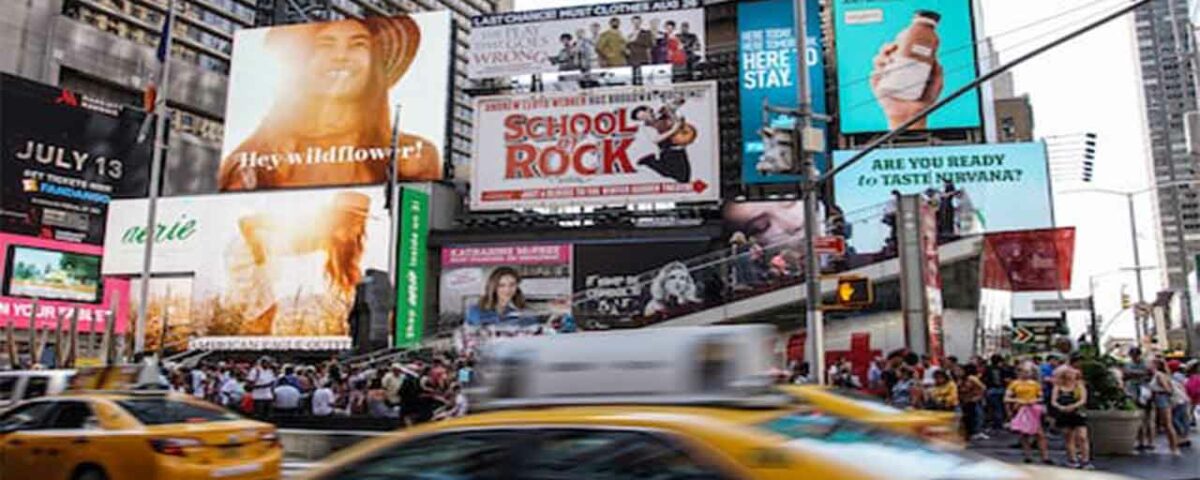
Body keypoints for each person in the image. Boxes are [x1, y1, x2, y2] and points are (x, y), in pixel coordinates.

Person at [218, 17, 440, 190]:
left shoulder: (412, 156)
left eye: (358, 45)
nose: (341, 56)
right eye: (325, 45)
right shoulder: (254, 157)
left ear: (375, 65)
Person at [632, 102, 692, 184]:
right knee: (679, 177)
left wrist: (673, 107)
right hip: (667, 151)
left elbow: (676, 109)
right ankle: (650, 161)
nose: (645, 118)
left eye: (644, 115)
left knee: (683, 177)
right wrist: (673, 130)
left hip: (680, 148)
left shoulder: (663, 113)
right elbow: (656, 139)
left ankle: (650, 161)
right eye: (641, 118)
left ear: (648, 110)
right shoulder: (646, 126)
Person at [1006, 365, 1051, 464]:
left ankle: (1045, 456)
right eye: (1023, 372)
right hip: (1020, 409)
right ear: (1018, 373)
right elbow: (1006, 398)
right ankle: (1028, 456)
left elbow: (1041, 398)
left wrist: (1034, 400)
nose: (1026, 374)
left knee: (1039, 433)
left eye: (1028, 372)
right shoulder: (1014, 384)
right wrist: (1018, 400)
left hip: (1033, 409)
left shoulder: (1035, 384)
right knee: (1024, 433)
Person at [1051, 365, 1092, 469]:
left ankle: (1085, 460)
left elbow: (1083, 399)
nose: (1070, 375)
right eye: (1068, 373)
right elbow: (1053, 401)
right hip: (1064, 414)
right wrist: (1060, 407)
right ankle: (1072, 459)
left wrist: (1073, 406)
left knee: (1082, 436)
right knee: (1069, 437)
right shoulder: (1058, 386)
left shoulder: (1079, 385)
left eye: (1072, 373)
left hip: (1077, 413)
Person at [466, 267, 535, 327]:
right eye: (501, 285)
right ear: (493, 287)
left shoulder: (524, 313)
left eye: (512, 284)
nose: (507, 290)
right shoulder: (476, 311)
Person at [1122, 348, 1155, 450]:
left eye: (1135, 355)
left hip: (1144, 392)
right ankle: (1141, 441)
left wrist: (1134, 374)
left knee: (1148, 418)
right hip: (1133, 392)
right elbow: (1125, 375)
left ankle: (1150, 442)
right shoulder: (1128, 364)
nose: (1134, 357)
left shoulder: (1146, 364)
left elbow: (1151, 374)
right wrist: (1141, 374)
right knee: (1139, 418)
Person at [1149, 359, 1182, 454]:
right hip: (1159, 398)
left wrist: (1158, 392)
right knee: (1165, 423)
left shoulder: (1159, 375)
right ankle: (1173, 447)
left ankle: (1174, 448)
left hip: (1162, 398)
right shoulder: (1159, 375)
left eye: (1151, 364)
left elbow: (1167, 389)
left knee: (1167, 423)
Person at [983, 354, 1014, 432]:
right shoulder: (1003, 369)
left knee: (992, 408)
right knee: (1000, 408)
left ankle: (994, 423)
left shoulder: (987, 369)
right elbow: (1006, 379)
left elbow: (984, 379)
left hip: (990, 390)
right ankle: (999, 423)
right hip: (1001, 389)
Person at [959, 364, 987, 440]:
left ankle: (976, 432)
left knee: (976, 415)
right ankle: (970, 432)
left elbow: (983, 387)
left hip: (973, 399)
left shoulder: (972, 378)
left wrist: (978, 396)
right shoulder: (962, 379)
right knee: (967, 416)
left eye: (961, 370)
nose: (959, 371)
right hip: (965, 400)